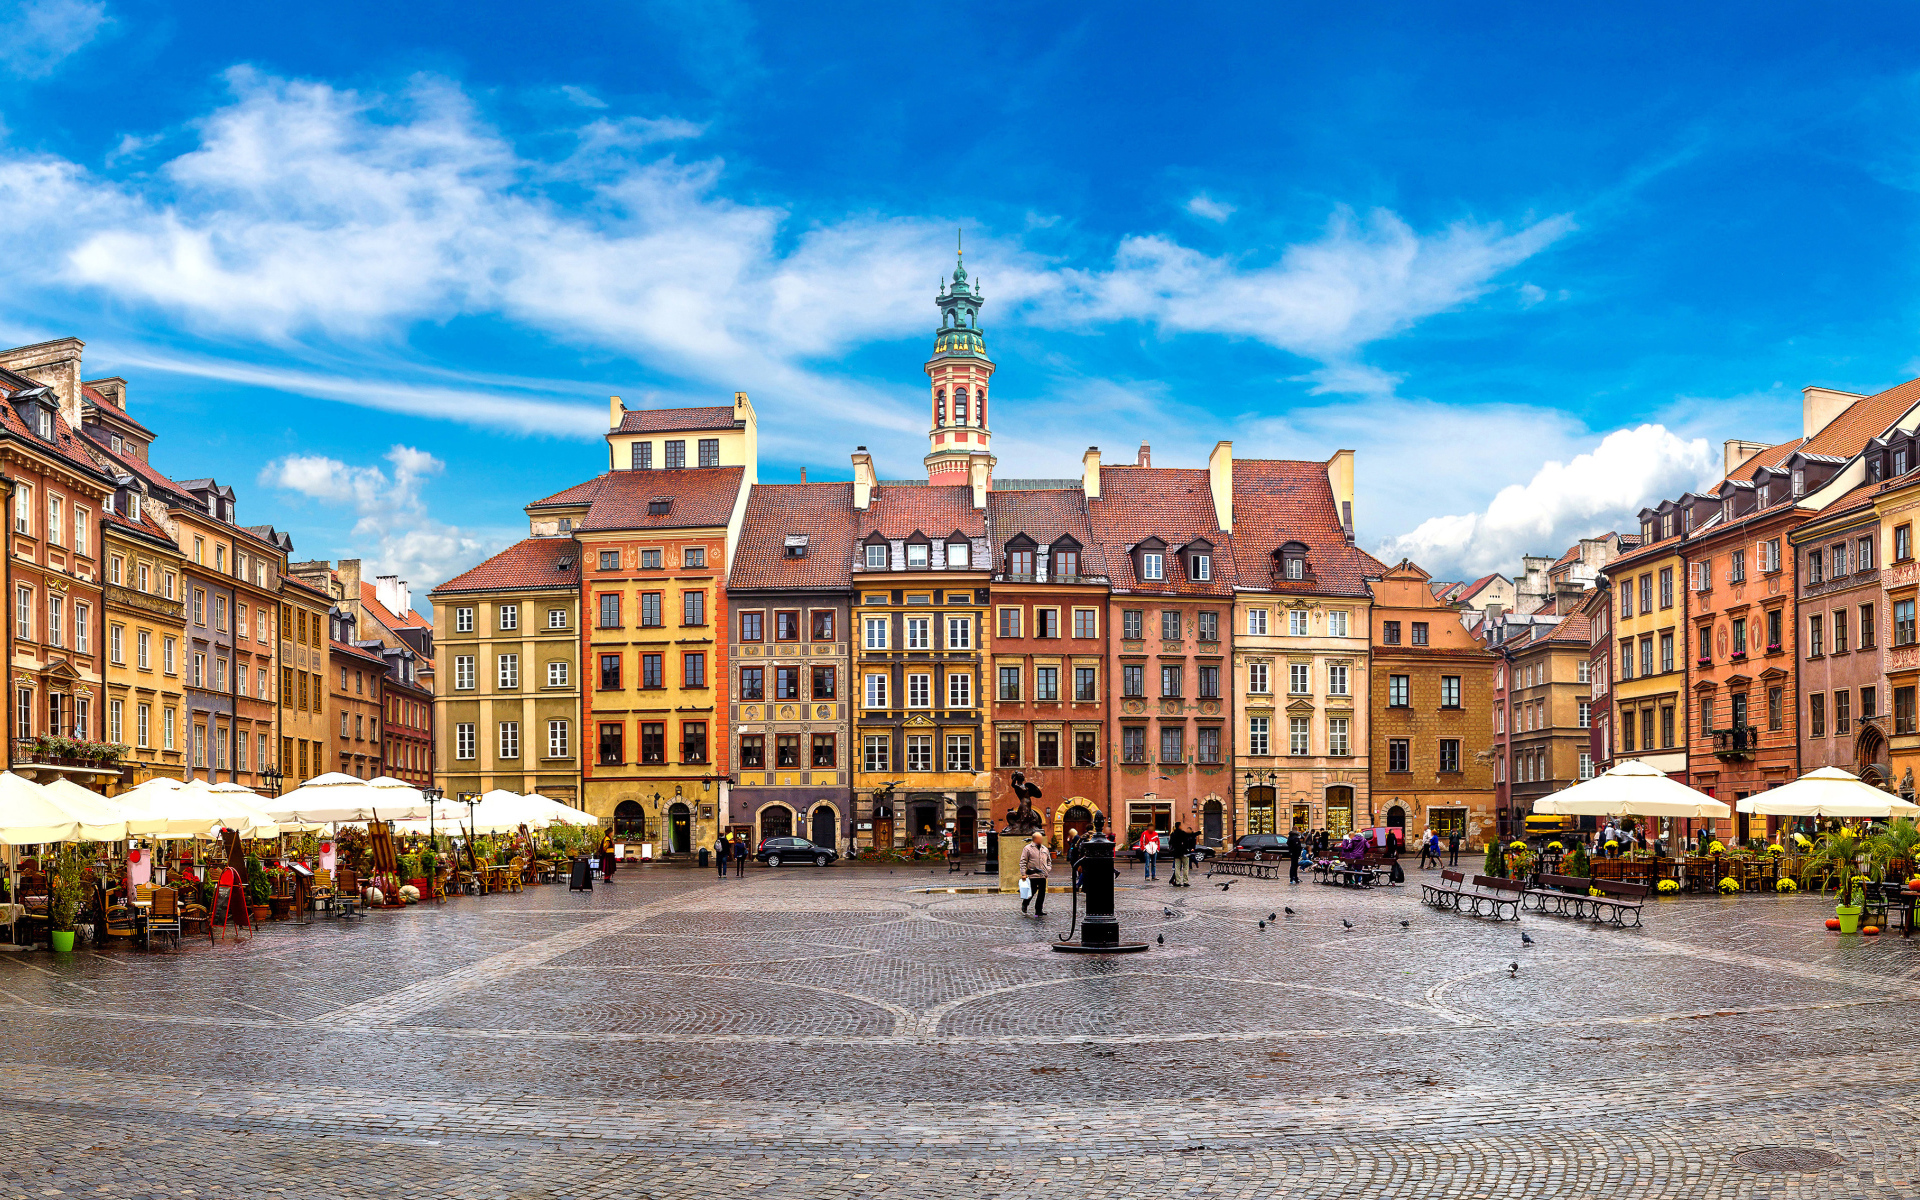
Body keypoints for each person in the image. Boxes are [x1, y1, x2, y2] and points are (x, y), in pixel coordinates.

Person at [1018, 831, 1052, 917]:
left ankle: (1038, 910)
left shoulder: (1045, 849)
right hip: (1032, 874)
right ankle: (1025, 903)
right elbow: (1023, 861)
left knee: (1042, 893)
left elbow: (1049, 861)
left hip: (1043, 875)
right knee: (1032, 891)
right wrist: (1023, 873)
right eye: (1039, 838)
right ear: (1034, 839)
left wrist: (1048, 869)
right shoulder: (1028, 848)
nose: (1041, 840)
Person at [1169, 823, 1193, 887]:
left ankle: (1178, 882)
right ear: (1179, 826)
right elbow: (1187, 841)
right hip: (1184, 852)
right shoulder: (1183, 833)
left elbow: (1170, 843)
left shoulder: (1173, 834)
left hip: (1176, 853)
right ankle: (1185, 881)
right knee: (1185, 867)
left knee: (1177, 868)